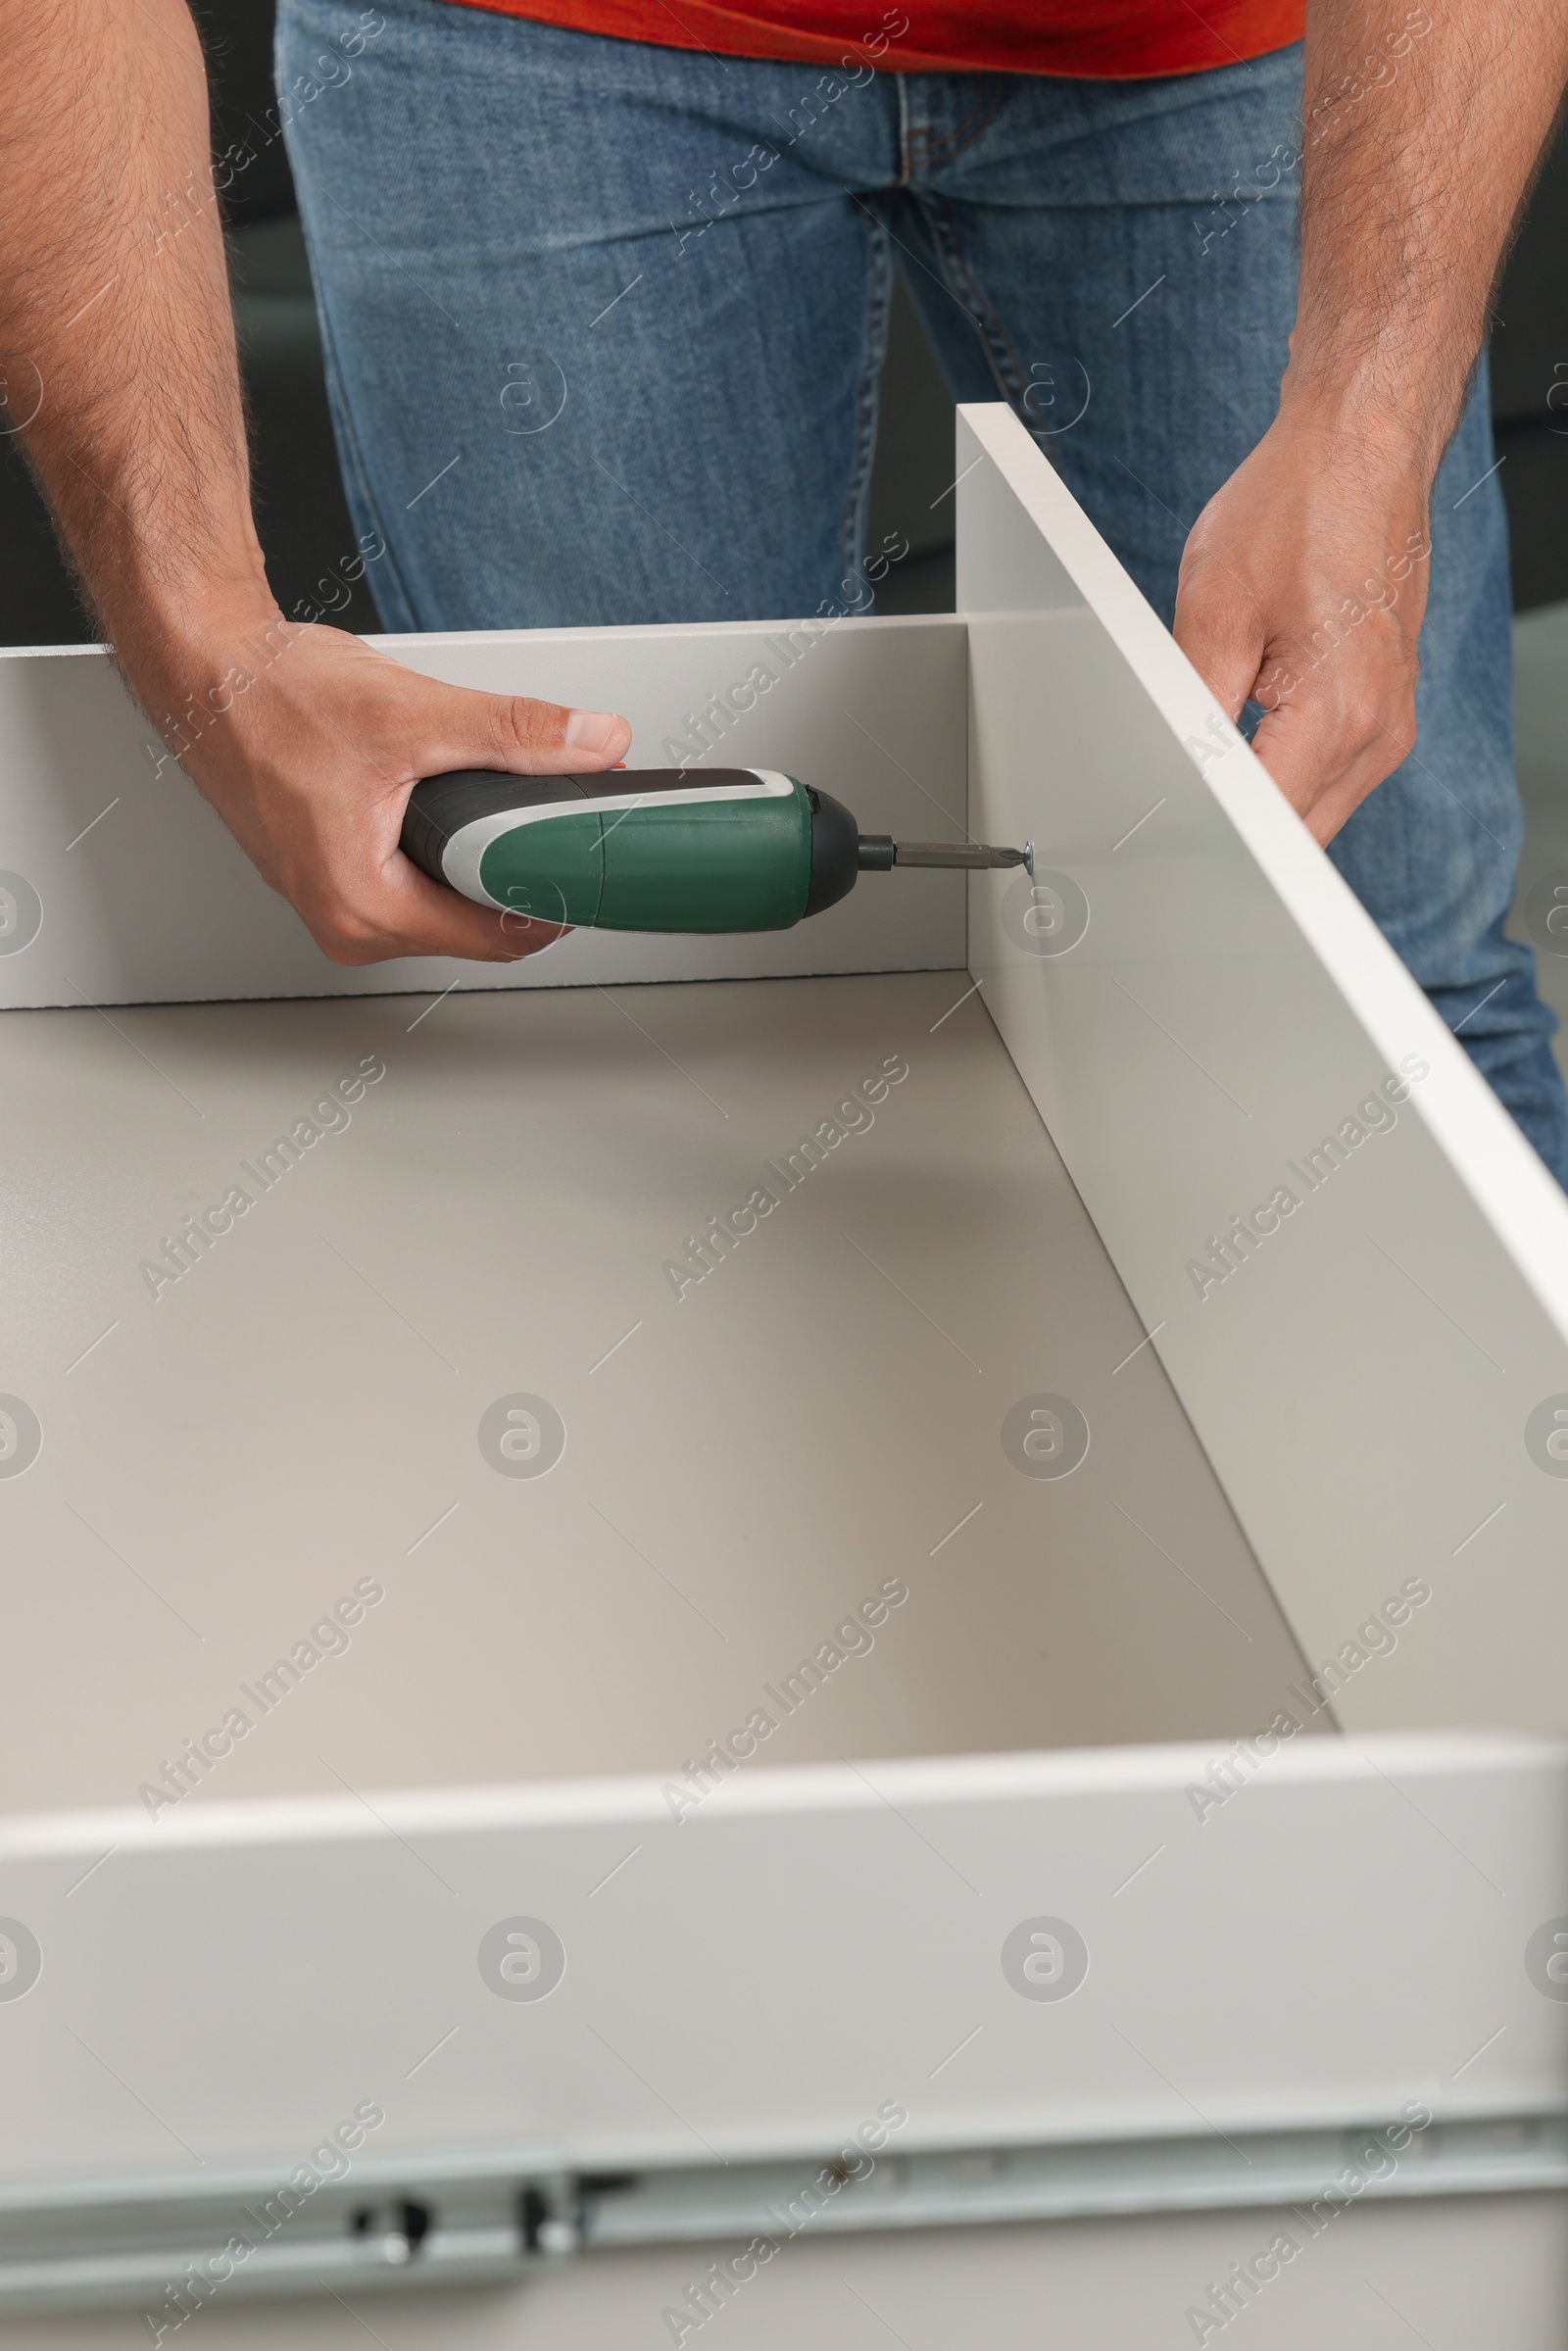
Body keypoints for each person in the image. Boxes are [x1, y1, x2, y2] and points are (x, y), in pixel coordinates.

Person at [7, 0, 1568, 1173]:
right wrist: (202, 631)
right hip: (518, 45)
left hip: (1224, 38)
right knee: (630, 1015)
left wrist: (1368, 421)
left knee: (1392, 990)